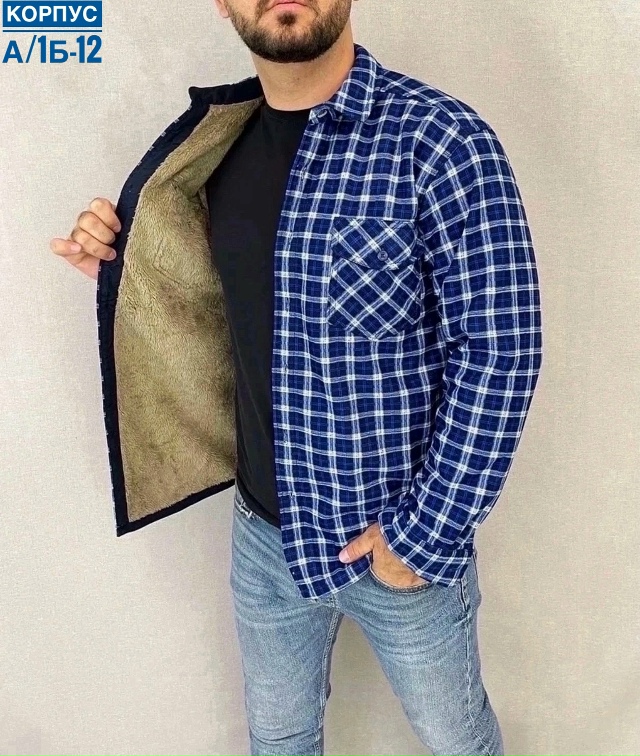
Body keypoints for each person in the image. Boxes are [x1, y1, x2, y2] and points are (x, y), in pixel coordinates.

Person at [50, 1, 543, 754]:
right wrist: (125, 274)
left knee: (459, 740)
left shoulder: (441, 140)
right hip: (261, 539)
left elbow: (500, 352)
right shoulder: (213, 148)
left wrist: (422, 538)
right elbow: (228, 310)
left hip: (395, 540)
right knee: (279, 739)